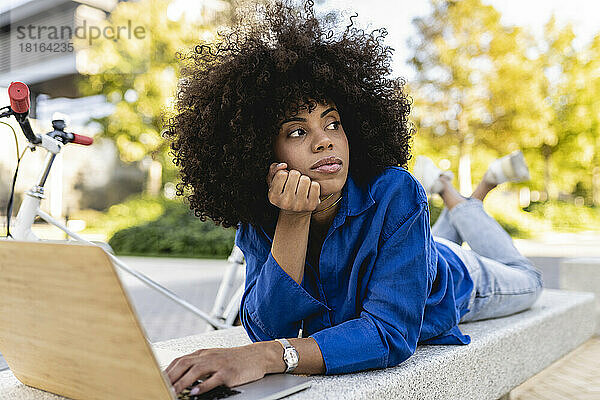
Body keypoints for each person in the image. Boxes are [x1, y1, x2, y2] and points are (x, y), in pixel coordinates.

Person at [161, 0, 543, 396]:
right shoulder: (262, 214)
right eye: (296, 132)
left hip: (464, 278)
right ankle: (451, 194)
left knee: (530, 279)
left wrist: (267, 356)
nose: (324, 139)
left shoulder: (395, 190)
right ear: (260, 152)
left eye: (333, 123)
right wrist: (294, 219)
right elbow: (271, 328)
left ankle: (459, 192)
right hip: (413, 250)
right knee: (431, 240)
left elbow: (388, 333)